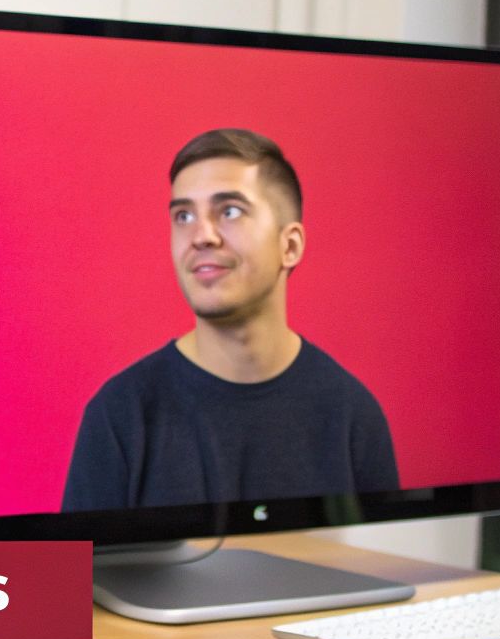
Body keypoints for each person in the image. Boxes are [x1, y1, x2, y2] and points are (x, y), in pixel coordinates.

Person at [62, 128, 398, 511]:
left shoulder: (352, 416)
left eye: (230, 211)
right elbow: (80, 570)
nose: (201, 236)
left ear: (289, 246)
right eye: (184, 215)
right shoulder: (120, 415)